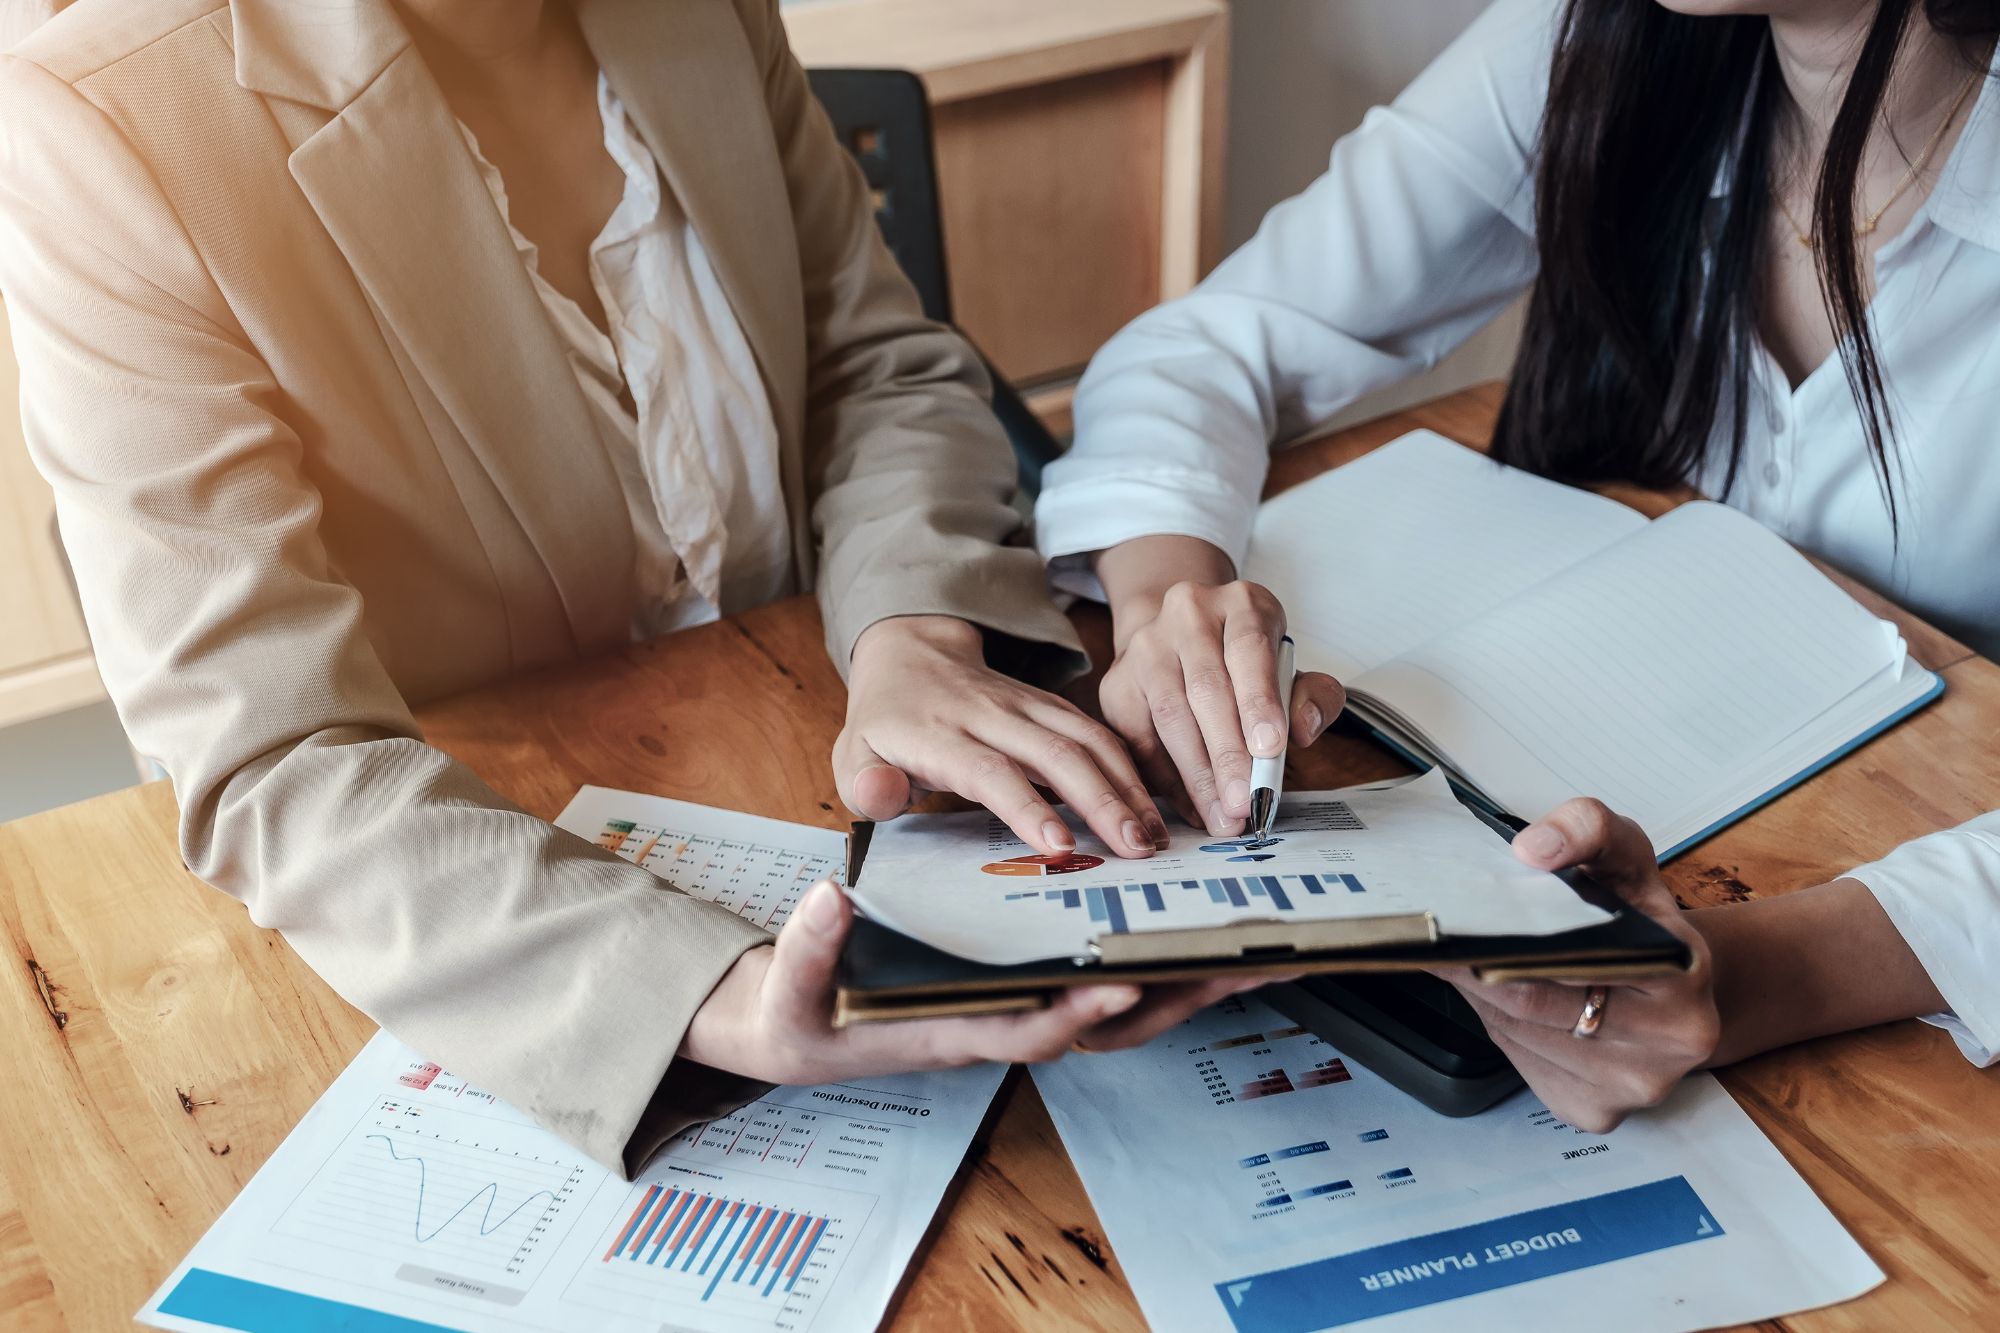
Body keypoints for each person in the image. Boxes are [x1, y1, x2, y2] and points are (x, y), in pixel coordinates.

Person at [0, 0, 1250, 1178]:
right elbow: (273, 757)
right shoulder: (96, 122)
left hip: (826, 746)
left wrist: (910, 631)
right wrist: (712, 995)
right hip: (477, 889)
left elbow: (876, 365)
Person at [1037, 0, 2000, 1132]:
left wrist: (1755, 974)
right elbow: (1207, 342)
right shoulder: (1590, 34)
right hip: (1637, 796)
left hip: (1914, 973)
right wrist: (1170, 610)